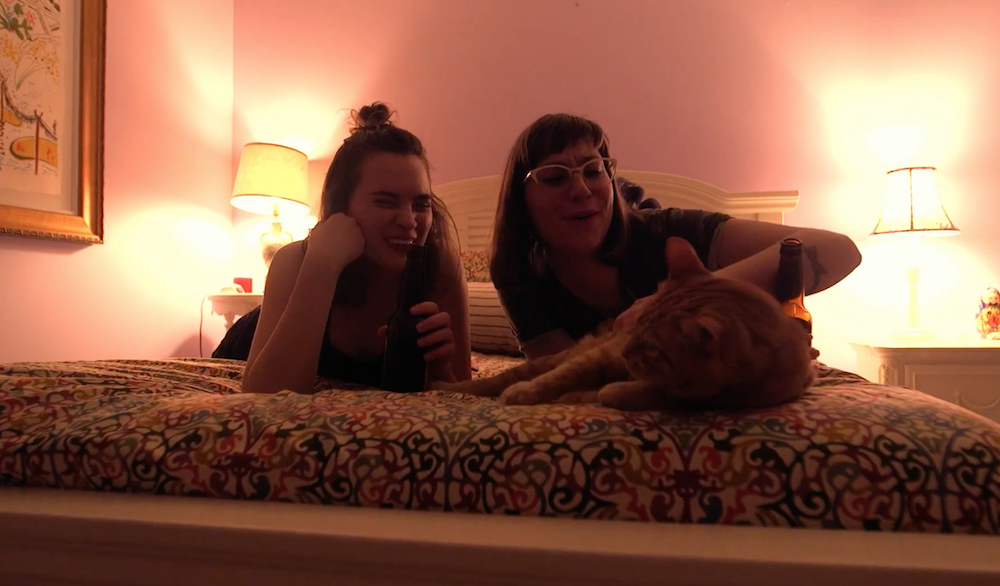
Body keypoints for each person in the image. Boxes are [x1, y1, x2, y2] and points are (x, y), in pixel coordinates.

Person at [490, 113, 862, 360]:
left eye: (593, 171)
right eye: (555, 177)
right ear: (522, 202)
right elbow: (565, 375)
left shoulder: (670, 232)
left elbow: (840, 251)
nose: (581, 190)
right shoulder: (518, 274)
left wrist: (685, 298)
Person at [218, 103, 472, 394]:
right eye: (385, 202)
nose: (409, 220)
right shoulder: (295, 260)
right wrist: (322, 266)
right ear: (342, 207)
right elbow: (266, 396)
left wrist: (440, 371)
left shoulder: (440, 269)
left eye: (421, 205)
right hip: (246, 351)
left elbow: (462, 396)